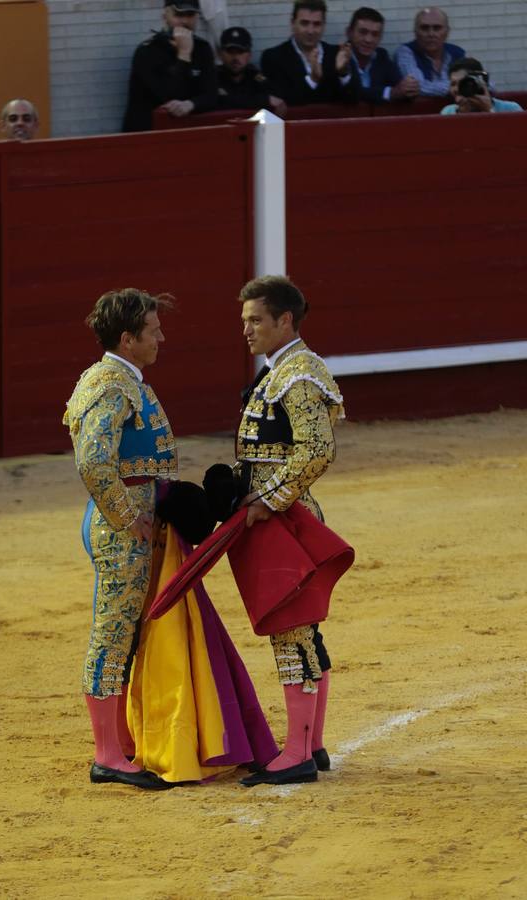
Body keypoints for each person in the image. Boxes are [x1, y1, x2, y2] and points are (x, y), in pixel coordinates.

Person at [63, 288, 178, 790]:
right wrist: (128, 515)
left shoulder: (121, 378)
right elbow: (93, 461)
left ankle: (121, 741)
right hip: (119, 529)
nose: (161, 337)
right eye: (153, 330)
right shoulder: (111, 384)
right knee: (112, 632)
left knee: (125, 630)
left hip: (130, 522)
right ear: (128, 339)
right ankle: (108, 754)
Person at [234, 276, 345, 787]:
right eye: (244, 321)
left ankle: (298, 751)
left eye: (256, 320)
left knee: (292, 630)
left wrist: (269, 499)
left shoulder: (298, 373)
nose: (247, 330)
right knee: (301, 630)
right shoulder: (279, 371)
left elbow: (316, 449)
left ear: (285, 321)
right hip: (277, 515)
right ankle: (311, 745)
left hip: (286, 517)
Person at [123, 0, 218, 132]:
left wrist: (192, 104)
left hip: (189, 132)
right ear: (165, 17)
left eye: (190, 15)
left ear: (197, 17)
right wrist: (184, 54)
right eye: (178, 15)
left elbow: (212, 95)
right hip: (148, 133)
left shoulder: (202, 49)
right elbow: (168, 95)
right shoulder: (148, 51)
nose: (184, 21)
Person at [260, 0, 354, 109]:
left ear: (324, 25)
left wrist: (343, 73)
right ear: (292, 23)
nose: (310, 31)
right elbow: (283, 102)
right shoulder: (273, 58)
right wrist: (312, 80)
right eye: (304, 23)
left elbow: (353, 100)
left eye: (317, 24)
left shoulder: (337, 54)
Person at [345, 7, 419, 103]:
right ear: (349, 33)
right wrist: (390, 93)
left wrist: (409, 88)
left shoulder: (381, 56)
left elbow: (399, 87)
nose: (368, 40)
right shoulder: (336, 56)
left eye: (375, 34)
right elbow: (350, 93)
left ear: (381, 37)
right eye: (363, 32)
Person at [394, 7, 465, 97]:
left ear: (447, 32)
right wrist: (460, 86)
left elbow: (480, 82)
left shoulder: (457, 53)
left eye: (437, 28)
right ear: (415, 32)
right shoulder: (406, 52)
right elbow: (417, 87)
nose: (431, 34)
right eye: (424, 28)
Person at [216, 26, 285, 116]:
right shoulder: (213, 76)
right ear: (221, 54)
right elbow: (213, 100)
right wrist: (263, 100)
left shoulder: (255, 77)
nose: (236, 58)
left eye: (241, 52)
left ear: (249, 55)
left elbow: (276, 97)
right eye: (230, 52)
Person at [440, 58, 524, 115]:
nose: (458, 88)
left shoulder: (511, 109)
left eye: (463, 83)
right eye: (453, 84)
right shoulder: (448, 112)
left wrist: (488, 110)